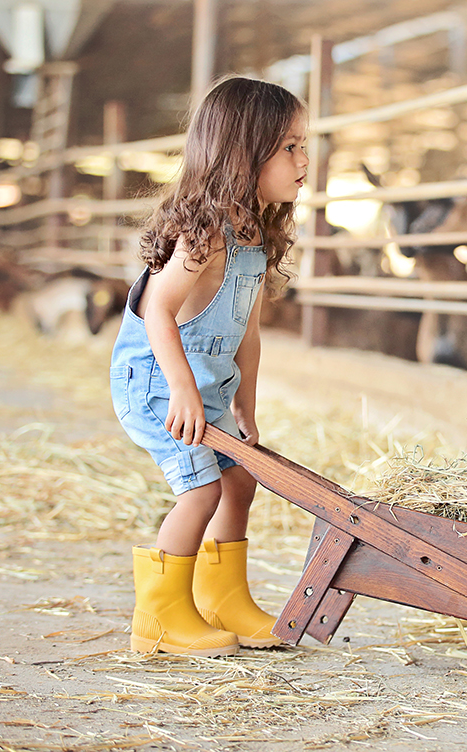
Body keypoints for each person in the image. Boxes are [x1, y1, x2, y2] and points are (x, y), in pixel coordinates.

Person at [108, 75, 307, 656]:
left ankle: (223, 599)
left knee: (240, 479)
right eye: (289, 147)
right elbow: (157, 309)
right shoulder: (205, 236)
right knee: (201, 491)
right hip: (157, 384)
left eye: (304, 146)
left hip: (208, 388)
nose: (304, 160)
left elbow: (248, 332)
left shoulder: (254, 237)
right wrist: (181, 388)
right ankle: (159, 617)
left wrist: (246, 406)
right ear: (244, 154)